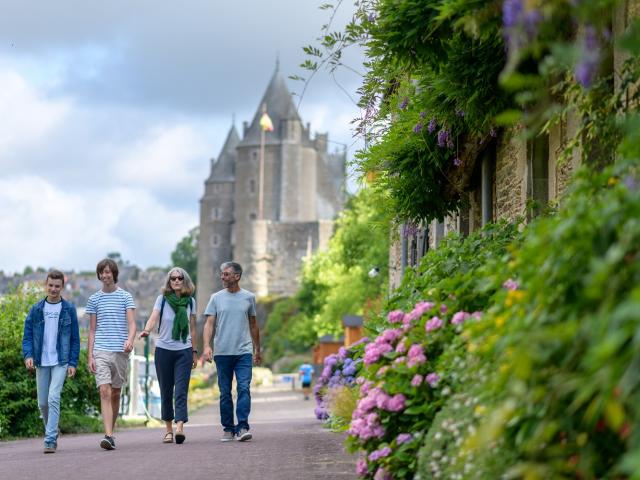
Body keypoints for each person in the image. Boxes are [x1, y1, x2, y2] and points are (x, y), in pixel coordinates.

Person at [22, 270, 80, 454]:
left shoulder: (69, 309)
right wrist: (28, 355)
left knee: (54, 397)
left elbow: (75, 339)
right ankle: (52, 431)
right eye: (50, 285)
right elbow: (28, 336)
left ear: (62, 287)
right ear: (45, 285)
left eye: (57, 286)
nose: (53, 289)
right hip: (41, 360)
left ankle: (49, 439)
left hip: (60, 360)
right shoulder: (36, 309)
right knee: (43, 404)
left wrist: (72, 363)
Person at [203, 261, 261, 442]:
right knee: (225, 392)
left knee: (244, 387)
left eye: (226, 274)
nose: (222, 276)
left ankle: (242, 426)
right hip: (222, 352)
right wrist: (207, 346)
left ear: (237, 276)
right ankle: (228, 428)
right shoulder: (216, 298)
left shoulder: (249, 297)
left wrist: (257, 348)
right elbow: (209, 323)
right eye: (222, 273)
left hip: (243, 351)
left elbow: (253, 325)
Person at [140, 267, 198, 445]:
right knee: (166, 391)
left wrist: (194, 352)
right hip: (163, 350)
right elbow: (153, 317)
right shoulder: (162, 300)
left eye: (180, 278)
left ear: (185, 280)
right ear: (169, 282)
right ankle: (168, 430)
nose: (177, 281)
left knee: (181, 390)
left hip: (184, 350)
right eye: (173, 279)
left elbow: (193, 329)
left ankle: (180, 427)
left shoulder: (190, 302)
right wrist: (147, 330)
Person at [86, 258, 136, 450]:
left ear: (114, 274)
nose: (105, 275)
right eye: (102, 272)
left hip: (120, 351)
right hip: (101, 350)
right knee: (104, 391)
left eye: (108, 272)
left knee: (115, 392)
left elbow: (132, 324)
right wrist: (90, 356)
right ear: (99, 275)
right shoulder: (94, 299)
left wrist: (130, 340)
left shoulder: (125, 297)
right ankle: (108, 435)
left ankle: (111, 433)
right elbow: (92, 330)